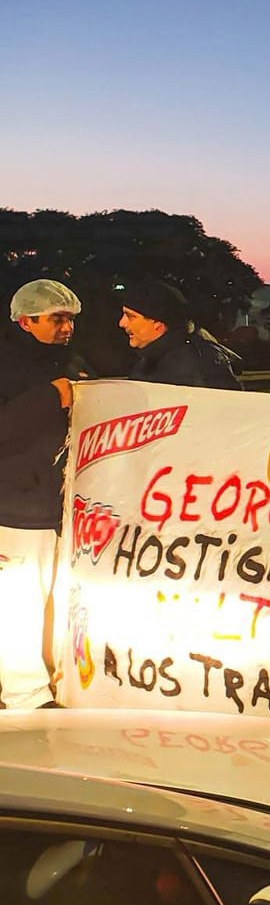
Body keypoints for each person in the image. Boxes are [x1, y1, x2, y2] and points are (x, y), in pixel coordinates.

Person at [2, 280, 88, 709]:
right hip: (11, 505)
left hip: (55, 506)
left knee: (52, 601)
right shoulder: (8, 364)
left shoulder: (66, 361)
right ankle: (24, 694)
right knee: (18, 601)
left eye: (70, 319)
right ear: (25, 320)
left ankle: (49, 683)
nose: (66, 326)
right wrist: (49, 397)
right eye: (57, 319)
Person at [121, 280, 242, 389]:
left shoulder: (191, 365)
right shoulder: (153, 359)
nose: (122, 323)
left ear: (158, 323)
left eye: (131, 316)